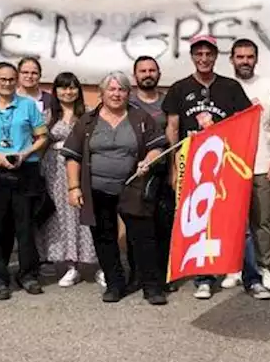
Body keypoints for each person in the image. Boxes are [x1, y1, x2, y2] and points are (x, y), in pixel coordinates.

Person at [160, 34, 259, 300]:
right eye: (199, 54)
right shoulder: (180, 88)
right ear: (192, 56)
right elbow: (172, 127)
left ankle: (252, 278)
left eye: (209, 54)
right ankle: (204, 278)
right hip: (193, 165)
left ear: (216, 57)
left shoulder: (231, 87)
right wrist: (173, 167)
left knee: (240, 222)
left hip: (225, 165)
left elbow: (244, 122)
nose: (204, 59)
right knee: (200, 220)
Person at [63, 72, 167, 304]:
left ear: (128, 93)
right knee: (103, 238)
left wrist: (149, 159)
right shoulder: (88, 121)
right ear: (101, 93)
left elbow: (158, 146)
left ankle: (152, 286)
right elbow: (73, 155)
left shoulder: (141, 117)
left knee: (143, 237)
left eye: (121, 89)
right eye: (111, 89)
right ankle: (114, 284)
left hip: (133, 187)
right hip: (96, 189)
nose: (116, 94)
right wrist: (73, 188)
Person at [0, 62, 51, 300]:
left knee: (25, 226)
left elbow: (42, 136)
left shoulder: (28, 106)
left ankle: (27, 274)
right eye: (2, 79)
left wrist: (25, 153)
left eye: (11, 79)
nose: (7, 84)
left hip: (25, 170)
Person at [231, 38, 270, 292]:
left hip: (261, 165)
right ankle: (234, 267)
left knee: (261, 221)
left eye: (249, 56)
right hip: (229, 167)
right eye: (240, 56)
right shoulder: (224, 87)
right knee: (232, 221)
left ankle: (263, 268)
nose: (245, 61)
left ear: (256, 59)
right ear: (231, 59)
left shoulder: (268, 86)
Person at [37, 72, 99, 287]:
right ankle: (71, 265)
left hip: (82, 169)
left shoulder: (89, 114)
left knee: (85, 214)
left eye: (72, 87)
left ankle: (97, 263)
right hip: (54, 170)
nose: (68, 92)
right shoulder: (47, 116)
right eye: (63, 88)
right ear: (55, 91)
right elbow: (40, 142)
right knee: (62, 217)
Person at [128, 55, 176, 293]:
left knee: (162, 225)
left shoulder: (168, 103)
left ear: (159, 74)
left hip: (162, 170)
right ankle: (137, 274)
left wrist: (174, 171)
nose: (148, 74)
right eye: (143, 71)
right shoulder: (127, 102)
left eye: (152, 70)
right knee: (135, 228)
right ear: (135, 76)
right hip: (134, 173)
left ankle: (162, 275)